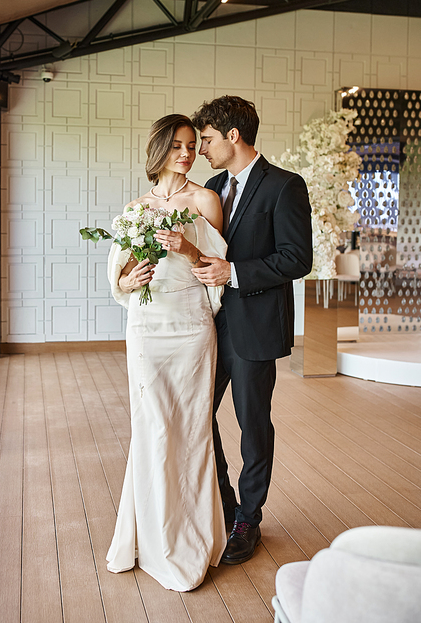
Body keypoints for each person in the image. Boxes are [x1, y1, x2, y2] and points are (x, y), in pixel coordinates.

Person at [106, 114, 227, 591]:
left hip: (192, 328)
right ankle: (147, 538)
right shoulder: (134, 208)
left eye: (193, 145)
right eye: (177, 145)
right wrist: (126, 280)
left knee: (193, 431)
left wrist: (187, 250)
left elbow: (215, 269)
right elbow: (122, 275)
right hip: (147, 329)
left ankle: (192, 538)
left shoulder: (205, 200)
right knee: (152, 429)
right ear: (159, 149)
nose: (187, 153)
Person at [191, 95, 313, 565]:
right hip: (207, 325)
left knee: (252, 425)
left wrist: (233, 272)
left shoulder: (284, 186)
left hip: (255, 326)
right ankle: (225, 502)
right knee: (198, 414)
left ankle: (249, 518)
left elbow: (296, 258)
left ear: (233, 136)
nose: (201, 149)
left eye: (206, 139)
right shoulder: (212, 186)